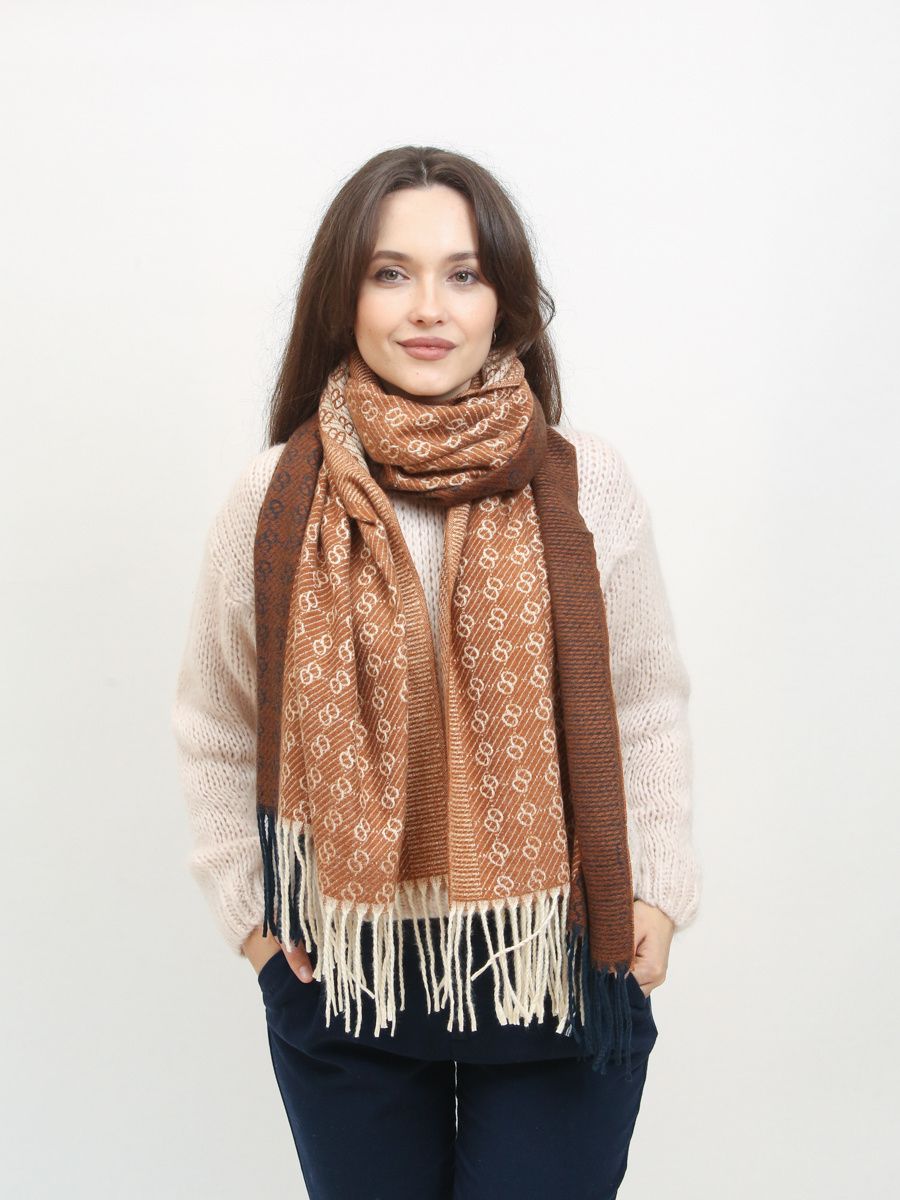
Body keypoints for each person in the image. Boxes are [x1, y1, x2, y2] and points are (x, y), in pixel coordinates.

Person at [171, 145, 701, 1199]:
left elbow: (644, 701)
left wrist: (657, 890)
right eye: (390, 272)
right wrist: (255, 926)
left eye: (463, 273)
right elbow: (217, 721)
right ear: (344, 296)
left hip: (557, 960)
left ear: (504, 301)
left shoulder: (588, 483)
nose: (428, 307)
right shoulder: (272, 499)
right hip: (347, 970)